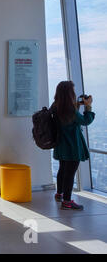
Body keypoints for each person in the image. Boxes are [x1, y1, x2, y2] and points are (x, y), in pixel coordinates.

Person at [50, 81, 95, 210]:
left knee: (62, 170)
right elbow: (86, 121)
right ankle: (67, 201)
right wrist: (88, 107)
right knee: (70, 173)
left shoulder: (55, 106)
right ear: (70, 93)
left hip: (60, 145)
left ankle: (59, 194)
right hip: (72, 146)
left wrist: (78, 105)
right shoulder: (69, 109)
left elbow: (68, 117)